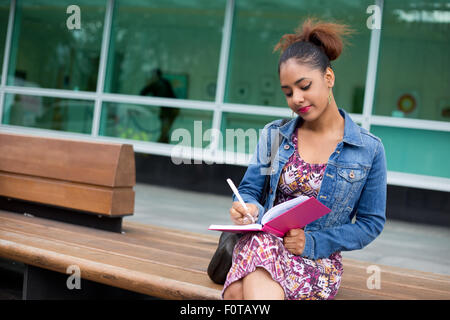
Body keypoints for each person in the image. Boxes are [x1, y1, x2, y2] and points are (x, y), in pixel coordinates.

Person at [222, 18, 387, 300]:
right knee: (261, 247)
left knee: (238, 293)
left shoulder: (368, 149)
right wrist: (247, 206)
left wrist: (311, 242)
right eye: (288, 92)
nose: (296, 98)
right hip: (263, 246)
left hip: (317, 262)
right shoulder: (274, 135)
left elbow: (370, 223)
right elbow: (250, 189)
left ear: (329, 78)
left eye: (304, 86)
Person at [140, 68, 179, 143]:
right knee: (165, 131)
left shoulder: (157, 83)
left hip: (169, 110)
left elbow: (143, 93)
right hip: (172, 109)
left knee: (165, 131)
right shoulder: (163, 82)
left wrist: (149, 85)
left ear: (155, 76)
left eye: (152, 76)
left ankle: (158, 148)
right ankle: (162, 147)